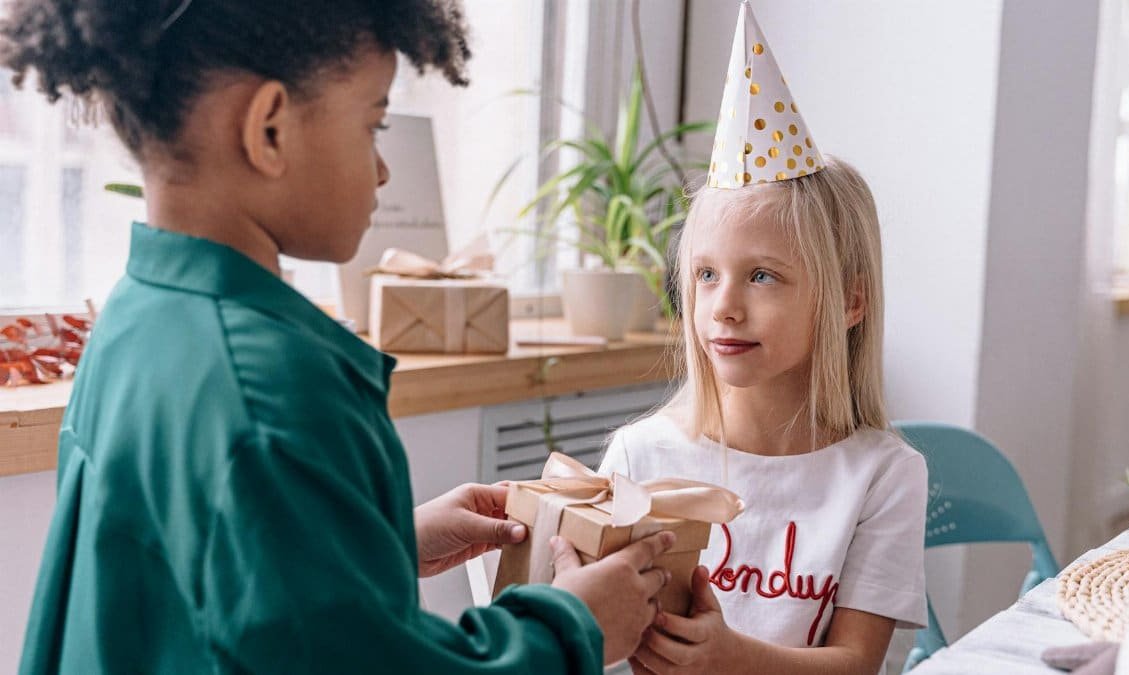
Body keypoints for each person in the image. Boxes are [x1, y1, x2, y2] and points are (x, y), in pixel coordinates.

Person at [0, 1, 672, 672]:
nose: (382, 171)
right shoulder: (272, 385)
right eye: (373, 125)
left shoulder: (137, 315)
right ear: (268, 129)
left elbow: (194, 576)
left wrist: (377, 544)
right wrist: (573, 626)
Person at [597, 5, 927, 673]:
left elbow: (857, 663)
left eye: (763, 276)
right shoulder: (639, 455)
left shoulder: (882, 475)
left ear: (850, 301)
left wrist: (729, 657)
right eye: (706, 274)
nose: (724, 307)